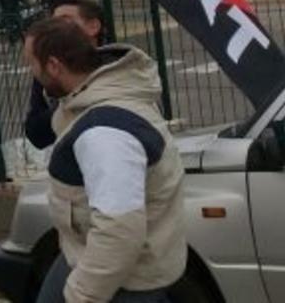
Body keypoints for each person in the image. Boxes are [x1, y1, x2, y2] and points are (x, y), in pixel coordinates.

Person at [23, 17, 186, 303]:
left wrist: (81, 295)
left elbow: (119, 231)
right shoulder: (100, 95)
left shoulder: (104, 134)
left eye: (32, 64)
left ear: (53, 66)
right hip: (91, 258)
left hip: (123, 284)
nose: (31, 73)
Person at [24, 0, 109, 150]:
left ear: (93, 26)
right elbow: (36, 133)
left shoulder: (117, 66)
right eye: (54, 22)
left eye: (66, 20)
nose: (57, 28)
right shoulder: (49, 70)